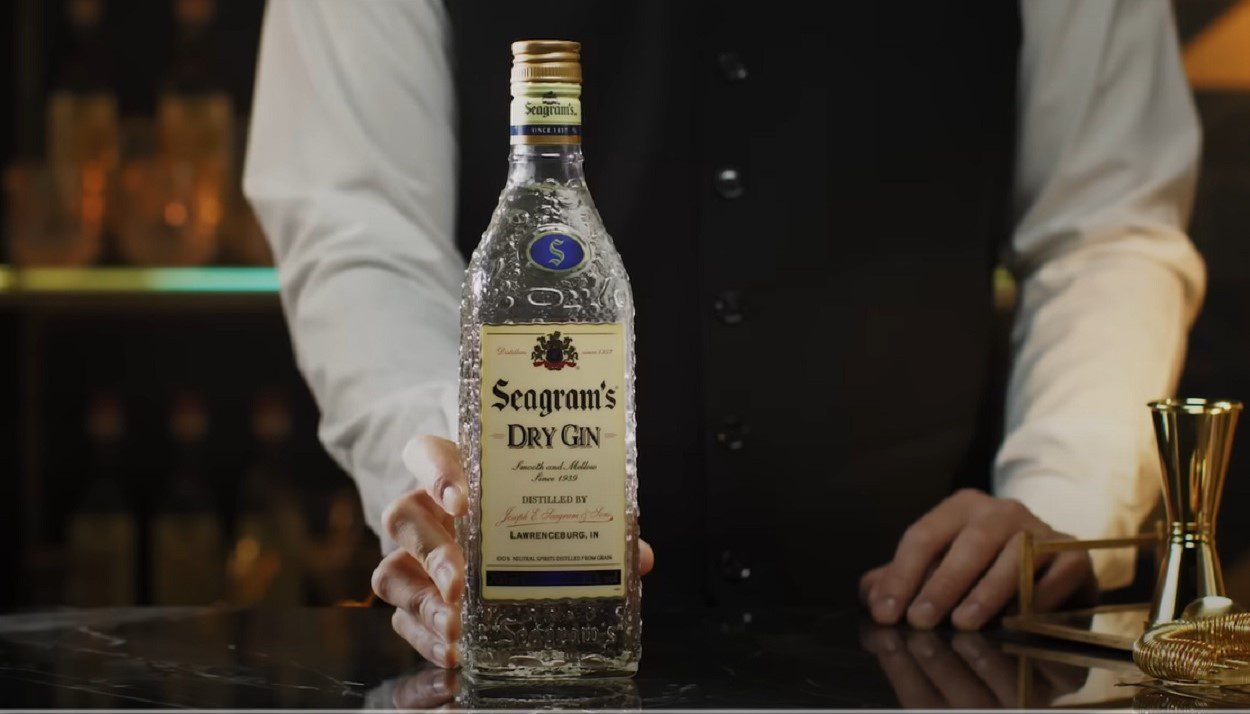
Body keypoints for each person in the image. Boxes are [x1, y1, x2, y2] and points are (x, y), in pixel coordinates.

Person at [244, 1, 1204, 668]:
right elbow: (357, 226)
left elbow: (1108, 225)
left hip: (939, 646)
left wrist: (1061, 497)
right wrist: (458, 490)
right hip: (532, 657)